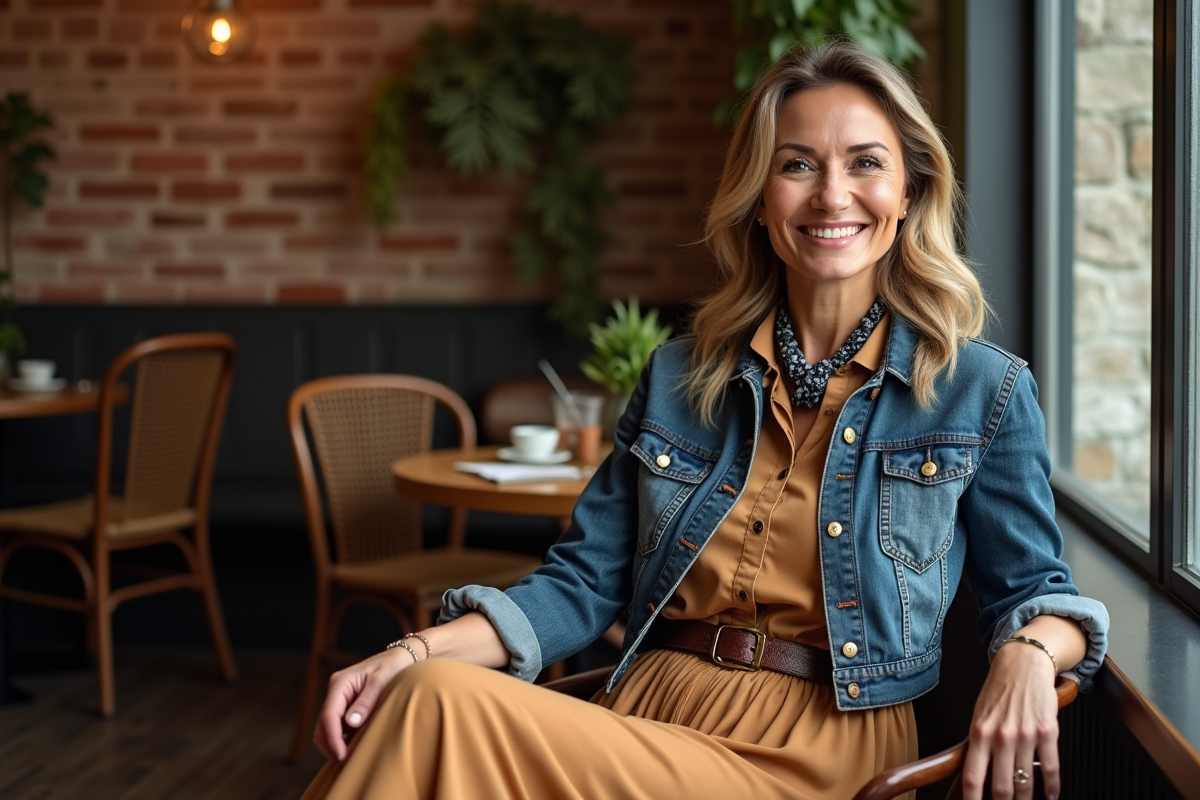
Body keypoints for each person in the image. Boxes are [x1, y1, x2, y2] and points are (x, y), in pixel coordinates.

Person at [302, 42, 1108, 800]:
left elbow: (1039, 591)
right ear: (761, 199)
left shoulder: (979, 390)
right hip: (640, 713)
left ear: (908, 194)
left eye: (866, 164)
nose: (832, 194)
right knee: (421, 687)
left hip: (821, 747)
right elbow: (583, 585)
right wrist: (410, 650)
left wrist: (1030, 656)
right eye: (798, 166)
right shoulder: (683, 375)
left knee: (437, 702)